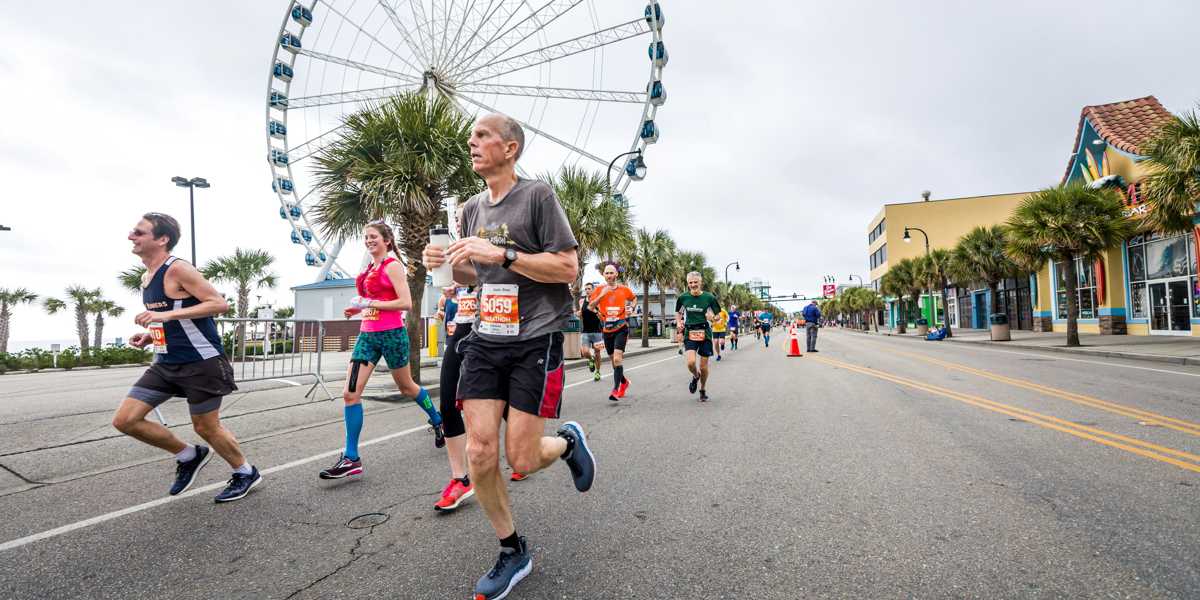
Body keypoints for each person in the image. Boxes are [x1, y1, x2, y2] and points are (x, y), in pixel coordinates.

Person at [422, 113, 596, 600]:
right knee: (479, 451)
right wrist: (446, 265)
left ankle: (565, 443)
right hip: (484, 336)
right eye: (470, 137)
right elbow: (474, 279)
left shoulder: (537, 196)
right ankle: (512, 548)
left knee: (521, 455)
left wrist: (505, 255)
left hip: (534, 338)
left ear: (511, 148)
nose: (472, 143)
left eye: (482, 136)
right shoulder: (472, 208)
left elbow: (565, 267)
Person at [111, 212, 262, 503]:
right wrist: (151, 334)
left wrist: (164, 314)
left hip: (201, 361)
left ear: (162, 239)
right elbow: (171, 318)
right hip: (165, 362)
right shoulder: (147, 276)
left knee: (206, 426)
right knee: (125, 420)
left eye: (139, 232)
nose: (132, 236)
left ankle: (245, 472)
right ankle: (188, 454)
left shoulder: (178, 269)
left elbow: (219, 304)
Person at [319, 222, 444, 481]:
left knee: (407, 387)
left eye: (373, 236)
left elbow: (406, 303)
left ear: (387, 240)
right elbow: (369, 303)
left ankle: (437, 418)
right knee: (350, 394)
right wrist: (357, 309)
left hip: (392, 335)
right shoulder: (368, 269)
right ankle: (351, 458)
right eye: (366, 237)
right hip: (367, 336)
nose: (369, 241)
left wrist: (369, 303)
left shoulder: (393, 266)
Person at [434, 284, 477, 511]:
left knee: (503, 403)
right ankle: (460, 479)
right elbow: (463, 276)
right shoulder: (460, 250)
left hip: (497, 328)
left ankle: (524, 454)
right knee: (448, 403)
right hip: (462, 328)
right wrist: (456, 286)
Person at [588, 263, 637, 401]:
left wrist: (631, 308)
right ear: (603, 275)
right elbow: (590, 306)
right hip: (607, 330)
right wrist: (601, 295)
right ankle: (624, 382)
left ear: (616, 274)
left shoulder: (624, 289)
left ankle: (615, 390)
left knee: (617, 359)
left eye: (611, 273)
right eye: (606, 273)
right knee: (613, 362)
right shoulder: (599, 289)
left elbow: (634, 299)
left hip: (621, 328)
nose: (609, 275)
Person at [675, 271, 721, 402]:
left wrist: (713, 318)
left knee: (703, 366)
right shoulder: (683, 298)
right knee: (690, 363)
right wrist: (679, 322)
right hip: (690, 332)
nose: (693, 285)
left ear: (700, 283)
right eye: (690, 283)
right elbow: (678, 312)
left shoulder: (709, 297)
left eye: (695, 282)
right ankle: (696, 376)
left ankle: (703, 389)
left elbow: (718, 315)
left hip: (705, 332)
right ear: (688, 283)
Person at [577, 282, 604, 383]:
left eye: (589, 289)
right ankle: (590, 360)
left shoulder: (598, 302)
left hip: (597, 332)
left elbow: (603, 318)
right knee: (585, 352)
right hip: (586, 331)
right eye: (586, 289)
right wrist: (578, 314)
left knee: (598, 353)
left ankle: (597, 372)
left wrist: (596, 312)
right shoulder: (581, 301)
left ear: (593, 290)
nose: (587, 291)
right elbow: (580, 315)